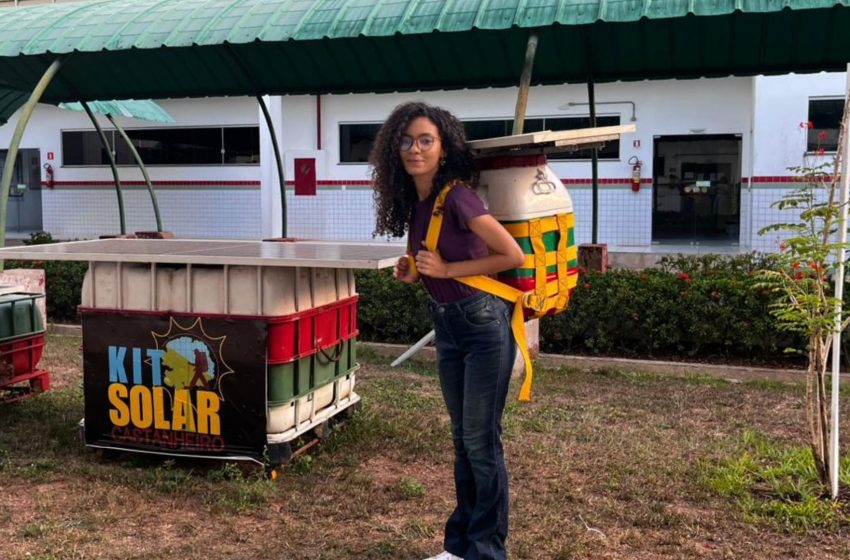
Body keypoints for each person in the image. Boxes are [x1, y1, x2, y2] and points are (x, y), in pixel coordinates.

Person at [370, 101, 525, 560]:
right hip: (449, 324)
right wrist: (415, 269)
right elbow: (430, 261)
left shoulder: (458, 196)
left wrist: (449, 266)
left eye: (425, 140)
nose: (414, 149)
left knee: (480, 442)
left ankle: (487, 551)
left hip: (482, 326)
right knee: (462, 441)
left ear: (443, 148)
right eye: (406, 140)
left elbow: (511, 255)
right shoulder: (418, 201)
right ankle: (459, 547)